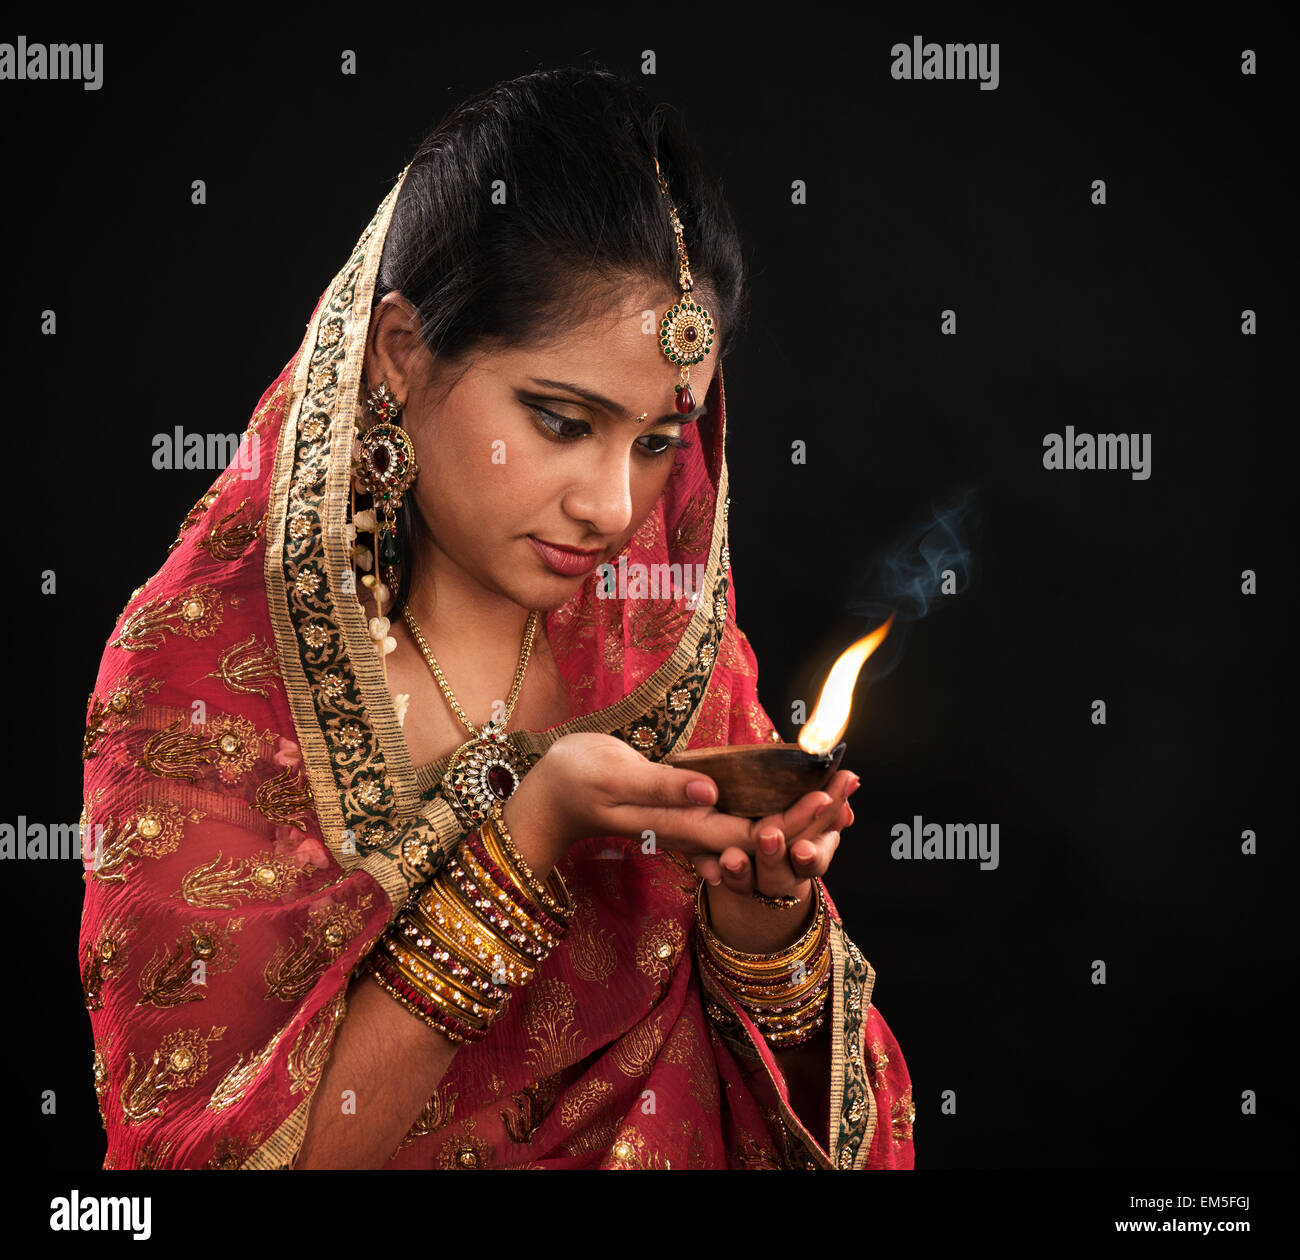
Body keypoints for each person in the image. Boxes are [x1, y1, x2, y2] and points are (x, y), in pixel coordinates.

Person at [78, 66, 914, 1170]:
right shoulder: (198, 678)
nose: (613, 509)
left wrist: (763, 931)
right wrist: (526, 842)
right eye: (563, 421)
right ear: (400, 355)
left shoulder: (658, 647)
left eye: (658, 443)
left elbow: (804, 1098)